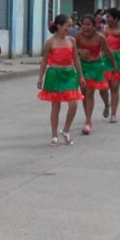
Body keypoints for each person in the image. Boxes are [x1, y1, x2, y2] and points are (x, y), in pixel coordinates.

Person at [37, 14, 86, 145]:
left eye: (71, 26)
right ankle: (54, 135)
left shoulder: (72, 41)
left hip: (70, 74)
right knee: (55, 105)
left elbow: (76, 59)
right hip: (54, 74)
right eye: (67, 26)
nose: (70, 28)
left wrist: (81, 76)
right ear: (59, 26)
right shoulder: (50, 42)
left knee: (74, 103)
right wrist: (40, 77)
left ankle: (66, 130)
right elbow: (44, 61)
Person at [74, 14, 116, 135]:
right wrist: (80, 51)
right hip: (83, 67)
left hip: (96, 66)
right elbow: (73, 50)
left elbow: (108, 51)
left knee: (96, 91)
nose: (85, 27)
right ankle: (88, 119)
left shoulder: (100, 37)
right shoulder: (78, 36)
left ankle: (106, 105)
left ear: (94, 26)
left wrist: (114, 66)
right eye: (83, 24)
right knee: (84, 93)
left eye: (88, 24)